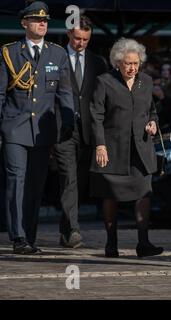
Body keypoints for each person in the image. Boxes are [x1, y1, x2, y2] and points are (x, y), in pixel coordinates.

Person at [0, 1, 74, 254]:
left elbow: (64, 93)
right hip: (14, 128)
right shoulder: (9, 53)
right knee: (16, 180)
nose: (42, 23)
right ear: (24, 23)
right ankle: (18, 236)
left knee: (35, 184)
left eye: (45, 20)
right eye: (36, 20)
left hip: (43, 131)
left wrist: (68, 124)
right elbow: (0, 94)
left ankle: (29, 236)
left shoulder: (58, 53)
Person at [90, 38, 163, 258]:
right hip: (113, 148)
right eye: (128, 63)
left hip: (141, 149)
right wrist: (100, 145)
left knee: (144, 194)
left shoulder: (147, 81)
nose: (132, 68)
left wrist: (153, 123)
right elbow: (96, 115)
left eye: (136, 63)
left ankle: (144, 243)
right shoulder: (104, 81)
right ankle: (111, 244)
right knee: (111, 195)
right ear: (117, 62)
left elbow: (152, 111)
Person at [54, 15, 108, 248]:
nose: (81, 43)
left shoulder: (98, 62)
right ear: (68, 34)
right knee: (69, 179)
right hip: (62, 128)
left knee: (80, 181)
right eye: (77, 38)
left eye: (85, 39)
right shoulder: (55, 57)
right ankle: (73, 230)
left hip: (88, 130)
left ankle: (66, 229)